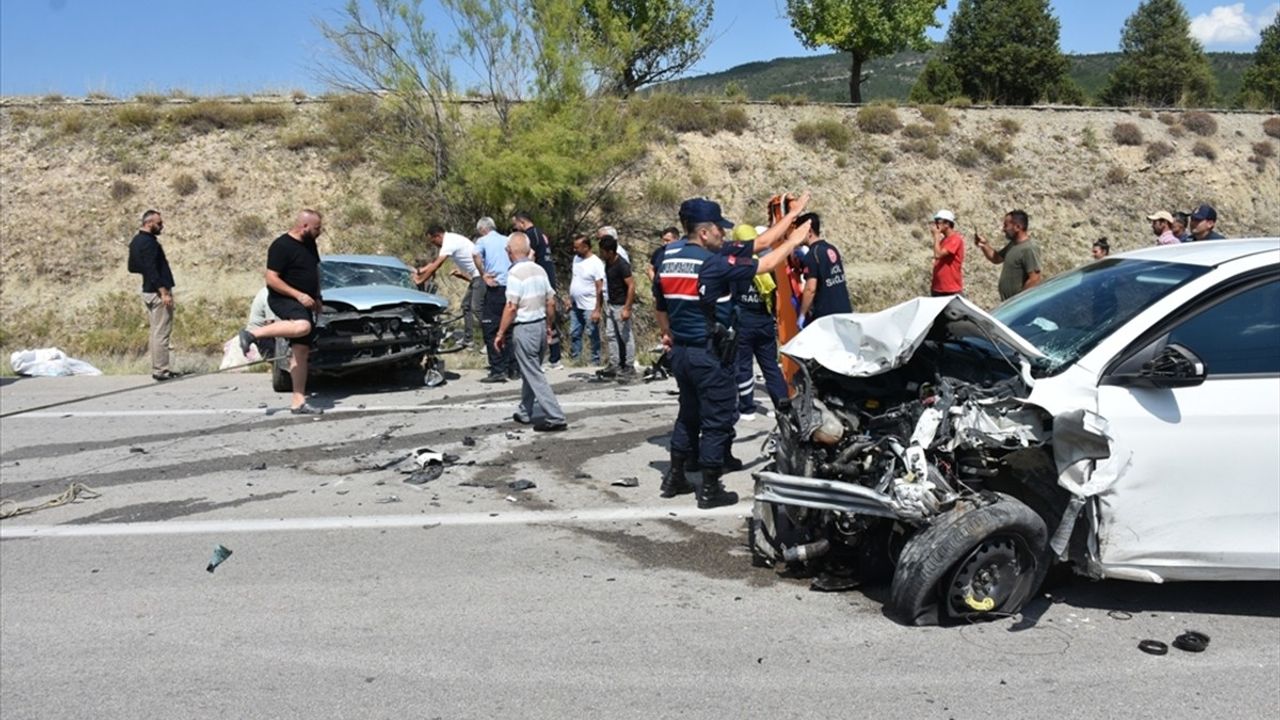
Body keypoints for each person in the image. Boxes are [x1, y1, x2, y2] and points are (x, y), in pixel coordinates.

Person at [653, 196, 810, 509]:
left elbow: (762, 241)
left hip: (681, 352)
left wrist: (790, 214)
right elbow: (765, 262)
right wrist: (794, 240)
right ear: (706, 233)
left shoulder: (667, 256)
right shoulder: (712, 263)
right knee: (718, 417)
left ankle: (675, 476)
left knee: (688, 414)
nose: (725, 235)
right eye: (720, 231)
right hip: (707, 353)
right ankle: (711, 488)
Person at [238, 209, 326, 414]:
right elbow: (272, 279)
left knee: (301, 353)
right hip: (284, 299)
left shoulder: (310, 244)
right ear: (304, 226)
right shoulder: (281, 246)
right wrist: (298, 295)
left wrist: (318, 297)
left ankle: (298, 402)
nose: (319, 232)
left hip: (307, 302)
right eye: (316, 228)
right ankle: (252, 334)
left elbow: (315, 271)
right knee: (302, 326)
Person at [494, 233, 567, 432]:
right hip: (541, 324)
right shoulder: (540, 270)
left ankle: (555, 415)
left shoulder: (514, 274)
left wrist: (500, 333)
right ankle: (525, 411)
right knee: (531, 370)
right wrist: (549, 326)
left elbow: (511, 307)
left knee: (534, 373)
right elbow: (550, 301)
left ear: (509, 252)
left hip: (525, 328)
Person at [728, 224, 788, 421]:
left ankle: (747, 408)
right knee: (770, 366)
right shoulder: (766, 265)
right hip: (764, 321)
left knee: (744, 367)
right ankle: (782, 406)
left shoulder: (736, 265)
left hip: (744, 323)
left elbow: (730, 295)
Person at [127, 210, 178, 381]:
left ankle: (160, 368)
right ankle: (161, 370)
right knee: (161, 333)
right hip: (157, 292)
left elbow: (133, 267)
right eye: (159, 223)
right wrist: (163, 291)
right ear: (149, 223)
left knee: (156, 332)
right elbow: (151, 268)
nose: (161, 226)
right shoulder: (149, 243)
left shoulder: (136, 241)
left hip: (148, 290)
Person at [511, 211, 562, 368]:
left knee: (536, 318)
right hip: (548, 278)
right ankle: (555, 357)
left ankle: (538, 358)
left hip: (538, 281)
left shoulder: (530, 235)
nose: (515, 227)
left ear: (521, 222)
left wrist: (523, 270)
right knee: (549, 319)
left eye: (515, 225)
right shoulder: (541, 233)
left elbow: (531, 255)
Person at [415, 226, 481, 344]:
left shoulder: (449, 242)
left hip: (480, 276)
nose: (434, 245)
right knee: (467, 306)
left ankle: (495, 335)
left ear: (438, 236)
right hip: (477, 276)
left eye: (433, 241)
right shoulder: (451, 239)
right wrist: (420, 271)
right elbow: (434, 263)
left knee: (477, 308)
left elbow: (437, 265)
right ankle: (469, 338)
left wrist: (420, 280)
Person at [472, 217, 514, 382]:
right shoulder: (507, 239)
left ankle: (497, 369)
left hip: (495, 287)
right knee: (509, 328)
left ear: (483, 229)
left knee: (491, 328)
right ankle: (513, 368)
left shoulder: (483, 241)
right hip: (510, 287)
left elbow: (475, 255)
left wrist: (483, 274)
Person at [797, 212, 852, 323]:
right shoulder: (831, 248)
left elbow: (810, 289)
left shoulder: (812, 255)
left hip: (827, 316)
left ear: (809, 231)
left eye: (799, 231)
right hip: (845, 309)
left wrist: (802, 314)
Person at [975, 210, 1042, 301]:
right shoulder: (1013, 245)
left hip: (1018, 306)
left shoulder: (1029, 249)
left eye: (1006, 225)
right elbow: (996, 258)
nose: (1003, 229)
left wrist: (1019, 301)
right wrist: (984, 245)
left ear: (1017, 227)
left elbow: (1034, 279)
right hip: (1008, 303)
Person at [597, 235, 636, 381]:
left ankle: (629, 366)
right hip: (611, 304)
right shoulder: (608, 263)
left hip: (621, 305)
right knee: (611, 335)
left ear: (610, 252)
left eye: (603, 251)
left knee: (625, 336)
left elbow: (631, 286)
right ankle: (615, 364)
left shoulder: (622, 265)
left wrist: (627, 308)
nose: (601, 254)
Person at [568, 235, 605, 365]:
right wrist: (570, 298)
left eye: (577, 247)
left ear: (586, 247)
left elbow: (599, 287)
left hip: (590, 305)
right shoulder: (576, 259)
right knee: (574, 332)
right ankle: (576, 359)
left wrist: (597, 309)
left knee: (592, 333)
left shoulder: (596, 263)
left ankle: (595, 360)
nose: (574, 250)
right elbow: (575, 279)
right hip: (576, 304)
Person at [929, 209, 965, 297]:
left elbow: (938, 254)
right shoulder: (944, 240)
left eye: (938, 222)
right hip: (938, 288)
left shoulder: (955, 239)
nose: (936, 225)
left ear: (947, 224)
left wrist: (936, 236)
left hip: (950, 289)